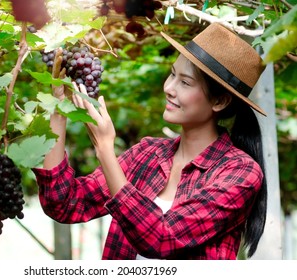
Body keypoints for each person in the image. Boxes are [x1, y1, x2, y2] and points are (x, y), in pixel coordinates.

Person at [32, 22, 268, 260]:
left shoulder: (241, 173)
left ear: (220, 101)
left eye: (185, 82)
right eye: (172, 74)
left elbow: (161, 239)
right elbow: (64, 203)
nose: (169, 88)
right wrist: (59, 108)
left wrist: (105, 149)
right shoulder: (147, 153)